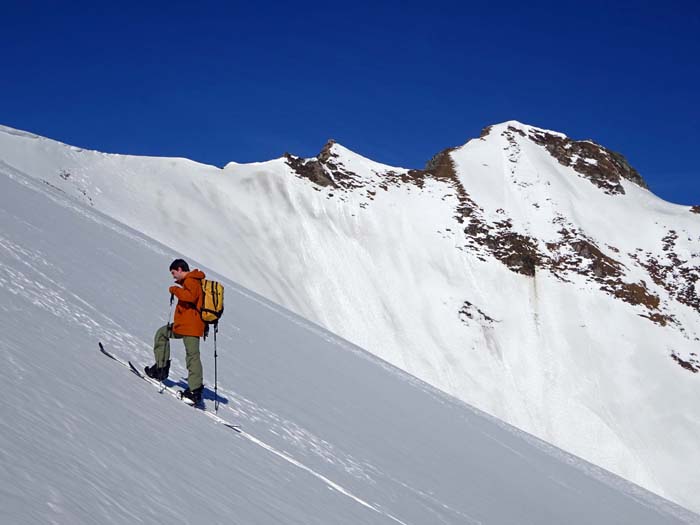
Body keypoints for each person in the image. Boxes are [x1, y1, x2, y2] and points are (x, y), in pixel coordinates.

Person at [145, 258, 205, 404]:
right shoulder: (189, 282)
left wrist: (175, 290)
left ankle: (194, 391)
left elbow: (190, 297)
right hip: (183, 326)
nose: (173, 276)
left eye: (173, 273)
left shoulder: (192, 280)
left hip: (191, 327)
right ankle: (161, 368)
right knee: (162, 333)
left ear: (179, 269)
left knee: (192, 356)